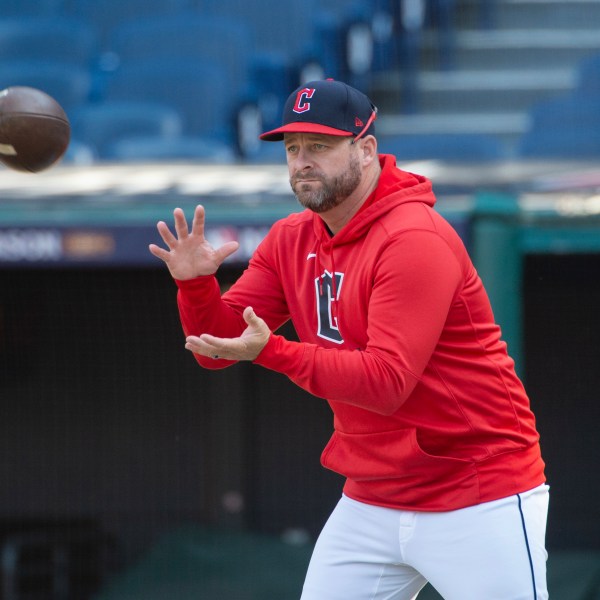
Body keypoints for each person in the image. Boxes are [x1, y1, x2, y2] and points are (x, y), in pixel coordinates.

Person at [149, 79, 549, 600]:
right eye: (292, 149)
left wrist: (272, 350)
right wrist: (195, 286)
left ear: (365, 150)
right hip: (374, 496)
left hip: (476, 489)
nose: (301, 161)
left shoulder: (413, 237)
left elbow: (386, 382)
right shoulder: (291, 237)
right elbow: (217, 349)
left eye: (319, 145)